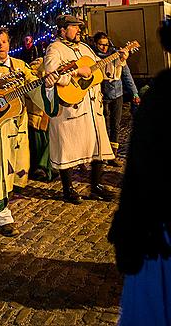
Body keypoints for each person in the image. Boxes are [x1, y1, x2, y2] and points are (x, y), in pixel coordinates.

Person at [0, 27, 58, 236]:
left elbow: (34, 86)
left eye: (4, 42)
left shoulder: (20, 67)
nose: (1, 46)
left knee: (17, 166)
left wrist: (48, 86)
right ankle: (1, 212)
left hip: (17, 126)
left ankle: (4, 202)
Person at [108, 19, 171, 326]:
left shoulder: (162, 97)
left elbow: (138, 174)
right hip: (162, 234)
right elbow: (139, 171)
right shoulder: (162, 99)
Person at [44, 14, 128, 204]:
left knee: (98, 146)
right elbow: (51, 73)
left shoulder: (84, 48)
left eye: (79, 27)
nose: (79, 30)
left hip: (92, 107)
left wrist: (119, 60)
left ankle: (96, 186)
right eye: (74, 27)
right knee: (67, 148)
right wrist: (75, 71)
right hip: (71, 108)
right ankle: (68, 189)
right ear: (63, 30)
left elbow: (101, 70)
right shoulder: (55, 49)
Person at [92, 32, 140, 167]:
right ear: (96, 44)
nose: (104, 47)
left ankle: (113, 155)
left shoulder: (117, 56)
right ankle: (103, 155)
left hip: (117, 95)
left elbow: (127, 75)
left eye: (106, 44)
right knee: (103, 126)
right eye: (101, 44)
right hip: (101, 96)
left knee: (116, 125)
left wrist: (135, 93)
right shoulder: (91, 57)